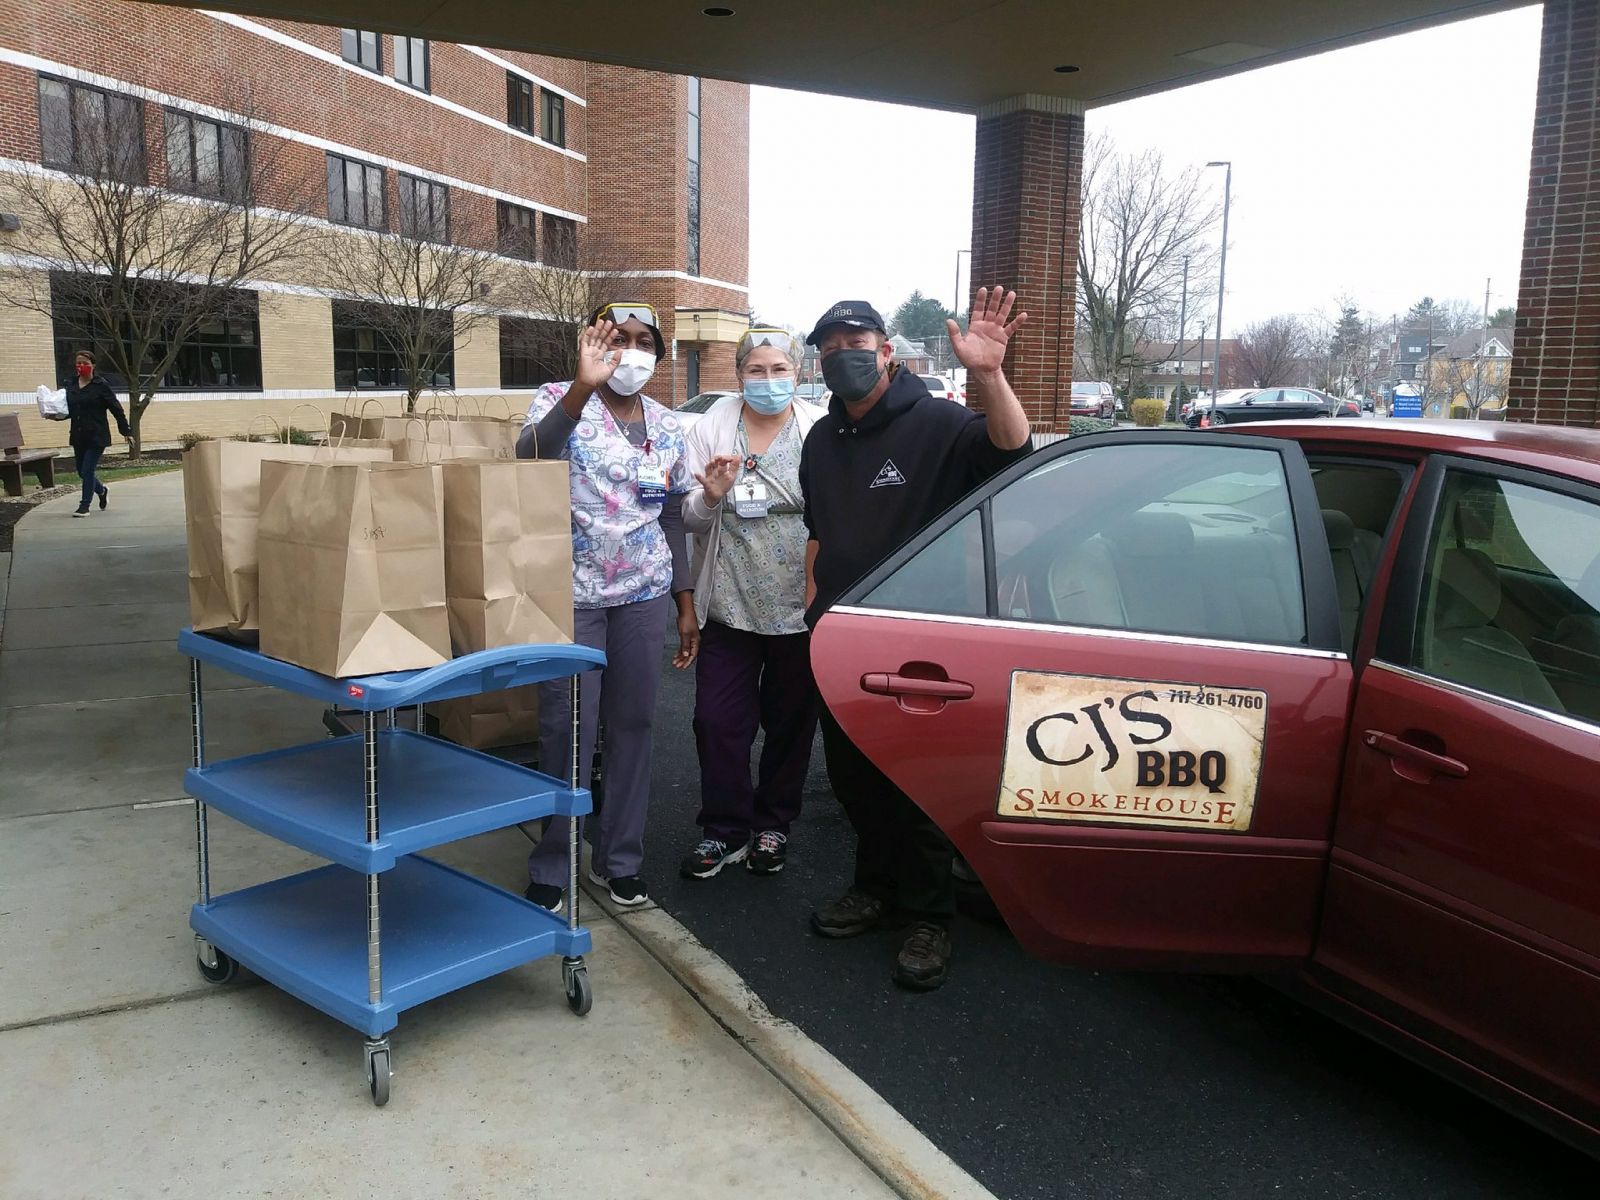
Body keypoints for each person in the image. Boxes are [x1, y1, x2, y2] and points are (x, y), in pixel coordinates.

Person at [799, 287, 1033, 991]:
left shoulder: (936, 423)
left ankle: (930, 917)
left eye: (858, 345)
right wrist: (814, 607)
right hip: (841, 639)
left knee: (918, 785)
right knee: (855, 780)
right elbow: (819, 534)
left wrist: (989, 376)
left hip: (918, 640)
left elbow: (1012, 450)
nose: (846, 358)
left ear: (888, 352)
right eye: (833, 349)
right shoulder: (820, 437)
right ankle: (875, 888)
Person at [516, 302, 695, 911]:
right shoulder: (558, 399)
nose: (633, 351)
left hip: (643, 595)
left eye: (646, 341)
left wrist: (684, 601)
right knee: (567, 729)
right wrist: (579, 388)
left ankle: (620, 860)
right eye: (620, 338)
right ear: (597, 343)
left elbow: (671, 512)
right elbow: (529, 456)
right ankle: (553, 862)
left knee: (634, 727)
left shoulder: (671, 427)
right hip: (572, 595)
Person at [679, 329, 823, 880]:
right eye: (757, 370)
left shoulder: (818, 430)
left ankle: (772, 825)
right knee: (716, 722)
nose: (769, 380)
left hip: (798, 606)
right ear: (738, 374)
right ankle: (723, 829)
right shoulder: (713, 425)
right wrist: (711, 495)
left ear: (798, 371)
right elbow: (689, 518)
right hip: (731, 606)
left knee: (790, 724)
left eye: (779, 368)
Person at [61, 350, 131, 517]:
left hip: (97, 435)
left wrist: (126, 431)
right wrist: (55, 414)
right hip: (78, 434)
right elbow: (68, 409)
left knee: (87, 470)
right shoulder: (70, 384)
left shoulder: (101, 386)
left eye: (85, 363)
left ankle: (84, 506)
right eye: (78, 363)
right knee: (81, 471)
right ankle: (101, 490)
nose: (81, 366)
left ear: (93, 365)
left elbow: (117, 409)